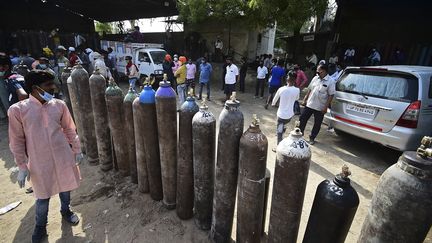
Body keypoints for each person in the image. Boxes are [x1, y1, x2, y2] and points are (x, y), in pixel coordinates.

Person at [9, 70, 83, 243]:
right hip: (39, 160)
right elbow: (16, 140)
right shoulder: (18, 111)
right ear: (35, 88)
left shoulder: (59, 105)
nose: (53, 87)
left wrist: (77, 150)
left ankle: (66, 211)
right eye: (48, 85)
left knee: (65, 190)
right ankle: (40, 227)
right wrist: (21, 166)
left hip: (62, 155)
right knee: (42, 198)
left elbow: (70, 129)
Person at [299, 64, 335, 145]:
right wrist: (305, 99)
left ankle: (312, 137)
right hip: (310, 104)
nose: (317, 73)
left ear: (324, 71)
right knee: (302, 118)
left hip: (320, 106)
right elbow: (310, 90)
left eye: (319, 72)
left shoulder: (331, 81)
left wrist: (325, 107)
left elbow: (331, 95)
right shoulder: (315, 78)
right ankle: (300, 134)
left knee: (317, 123)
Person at [272, 71, 300, 145]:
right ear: (295, 80)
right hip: (289, 115)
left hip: (281, 115)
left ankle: (279, 146)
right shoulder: (297, 90)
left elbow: (274, 101)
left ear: (287, 79)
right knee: (283, 126)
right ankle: (282, 129)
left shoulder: (281, 89)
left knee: (279, 133)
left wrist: (273, 104)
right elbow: (297, 98)